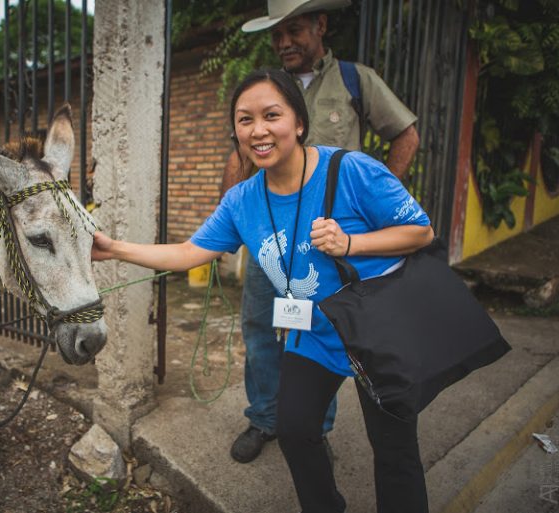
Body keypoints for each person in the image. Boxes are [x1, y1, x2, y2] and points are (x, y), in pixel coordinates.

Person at [93, 68, 433, 513]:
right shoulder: (241, 200)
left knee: (394, 450)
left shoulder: (351, 170)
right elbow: (187, 252)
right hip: (312, 335)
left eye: (271, 115)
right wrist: (114, 249)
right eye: (244, 119)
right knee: (294, 430)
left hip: (376, 330)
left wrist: (350, 243)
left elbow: (420, 232)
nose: (258, 130)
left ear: (299, 123)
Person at [223, 0, 420, 464]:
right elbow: (239, 156)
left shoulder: (356, 80)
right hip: (268, 243)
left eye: (293, 30)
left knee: (320, 335)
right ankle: (264, 417)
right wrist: (230, 224)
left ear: (321, 25)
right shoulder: (264, 87)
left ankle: (314, 428)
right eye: (276, 35)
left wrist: (377, 213)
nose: (284, 42)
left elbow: (405, 135)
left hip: (324, 249)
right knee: (259, 330)